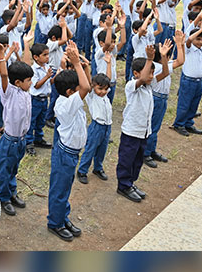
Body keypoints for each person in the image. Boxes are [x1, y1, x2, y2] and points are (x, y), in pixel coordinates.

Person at [47, 41, 90, 241]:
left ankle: (63, 216)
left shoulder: (70, 98)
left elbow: (84, 84)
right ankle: (55, 222)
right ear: (71, 92)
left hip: (71, 153)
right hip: (65, 154)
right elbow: (86, 87)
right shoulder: (65, 104)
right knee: (60, 188)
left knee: (66, 187)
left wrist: (82, 63)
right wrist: (77, 63)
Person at [0, 33, 33, 217]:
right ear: (18, 82)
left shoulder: (25, 91)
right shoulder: (10, 92)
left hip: (21, 139)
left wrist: (25, 45)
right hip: (10, 140)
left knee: (14, 168)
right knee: (5, 168)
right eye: (28, 81)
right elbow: (3, 73)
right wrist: (2, 54)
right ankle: (4, 197)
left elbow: (25, 66)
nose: (30, 83)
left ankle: (12, 191)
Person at [115, 48, 155, 203]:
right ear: (136, 73)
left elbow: (165, 73)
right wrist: (150, 59)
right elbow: (144, 77)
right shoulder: (132, 85)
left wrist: (163, 57)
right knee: (126, 159)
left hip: (143, 132)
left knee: (137, 160)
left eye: (152, 73)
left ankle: (130, 183)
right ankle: (123, 185)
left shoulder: (148, 87)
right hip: (131, 131)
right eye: (148, 73)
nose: (151, 76)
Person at [143, 33, 186, 167]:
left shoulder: (164, 64)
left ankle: (151, 150)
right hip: (155, 98)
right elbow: (166, 72)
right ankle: (145, 153)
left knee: (156, 126)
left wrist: (180, 44)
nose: (169, 57)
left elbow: (181, 61)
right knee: (151, 126)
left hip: (162, 99)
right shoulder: (156, 67)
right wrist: (164, 56)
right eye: (167, 55)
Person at [171, 21, 202, 136]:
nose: (201, 42)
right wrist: (200, 30)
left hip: (199, 81)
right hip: (188, 81)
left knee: (194, 103)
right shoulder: (188, 48)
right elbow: (188, 40)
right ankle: (179, 124)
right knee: (184, 103)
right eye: (198, 39)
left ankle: (188, 123)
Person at [77, 57, 113, 184]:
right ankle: (82, 171)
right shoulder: (91, 95)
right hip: (96, 127)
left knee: (102, 149)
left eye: (105, 89)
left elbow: (108, 79)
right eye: (100, 89)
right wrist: (86, 68)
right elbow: (88, 82)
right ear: (93, 86)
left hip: (107, 126)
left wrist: (108, 63)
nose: (103, 92)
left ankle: (98, 168)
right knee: (90, 149)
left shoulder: (105, 94)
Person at [25, 42, 53, 155]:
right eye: (45, 55)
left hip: (44, 99)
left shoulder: (46, 67)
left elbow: (49, 83)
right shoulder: (34, 69)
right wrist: (47, 76)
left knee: (41, 120)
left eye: (48, 54)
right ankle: (29, 142)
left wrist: (53, 77)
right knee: (31, 121)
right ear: (36, 57)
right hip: (35, 99)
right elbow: (36, 85)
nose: (47, 57)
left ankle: (38, 138)